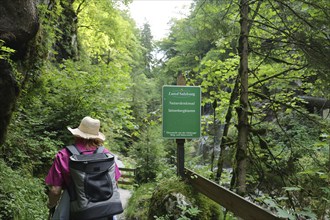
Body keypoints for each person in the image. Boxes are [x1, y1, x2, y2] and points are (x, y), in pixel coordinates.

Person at [45, 116, 121, 220]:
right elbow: (114, 183)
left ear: (77, 134)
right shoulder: (106, 155)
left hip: (75, 211)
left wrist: (51, 205)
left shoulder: (64, 155)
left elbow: (55, 191)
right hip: (104, 211)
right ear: (97, 137)